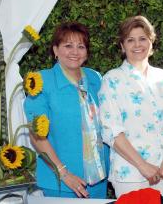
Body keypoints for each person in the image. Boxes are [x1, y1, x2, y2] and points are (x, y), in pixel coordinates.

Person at [98, 15, 163, 198]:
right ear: (122, 46)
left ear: (151, 42)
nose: (137, 45)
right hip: (130, 175)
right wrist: (143, 166)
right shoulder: (112, 80)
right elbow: (111, 131)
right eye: (130, 40)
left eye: (142, 39)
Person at [24, 22, 109, 198]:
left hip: (99, 180)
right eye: (68, 45)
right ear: (55, 50)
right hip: (61, 183)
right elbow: (36, 136)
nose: (75, 52)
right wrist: (64, 174)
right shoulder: (41, 81)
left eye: (81, 46)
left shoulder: (95, 78)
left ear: (87, 52)